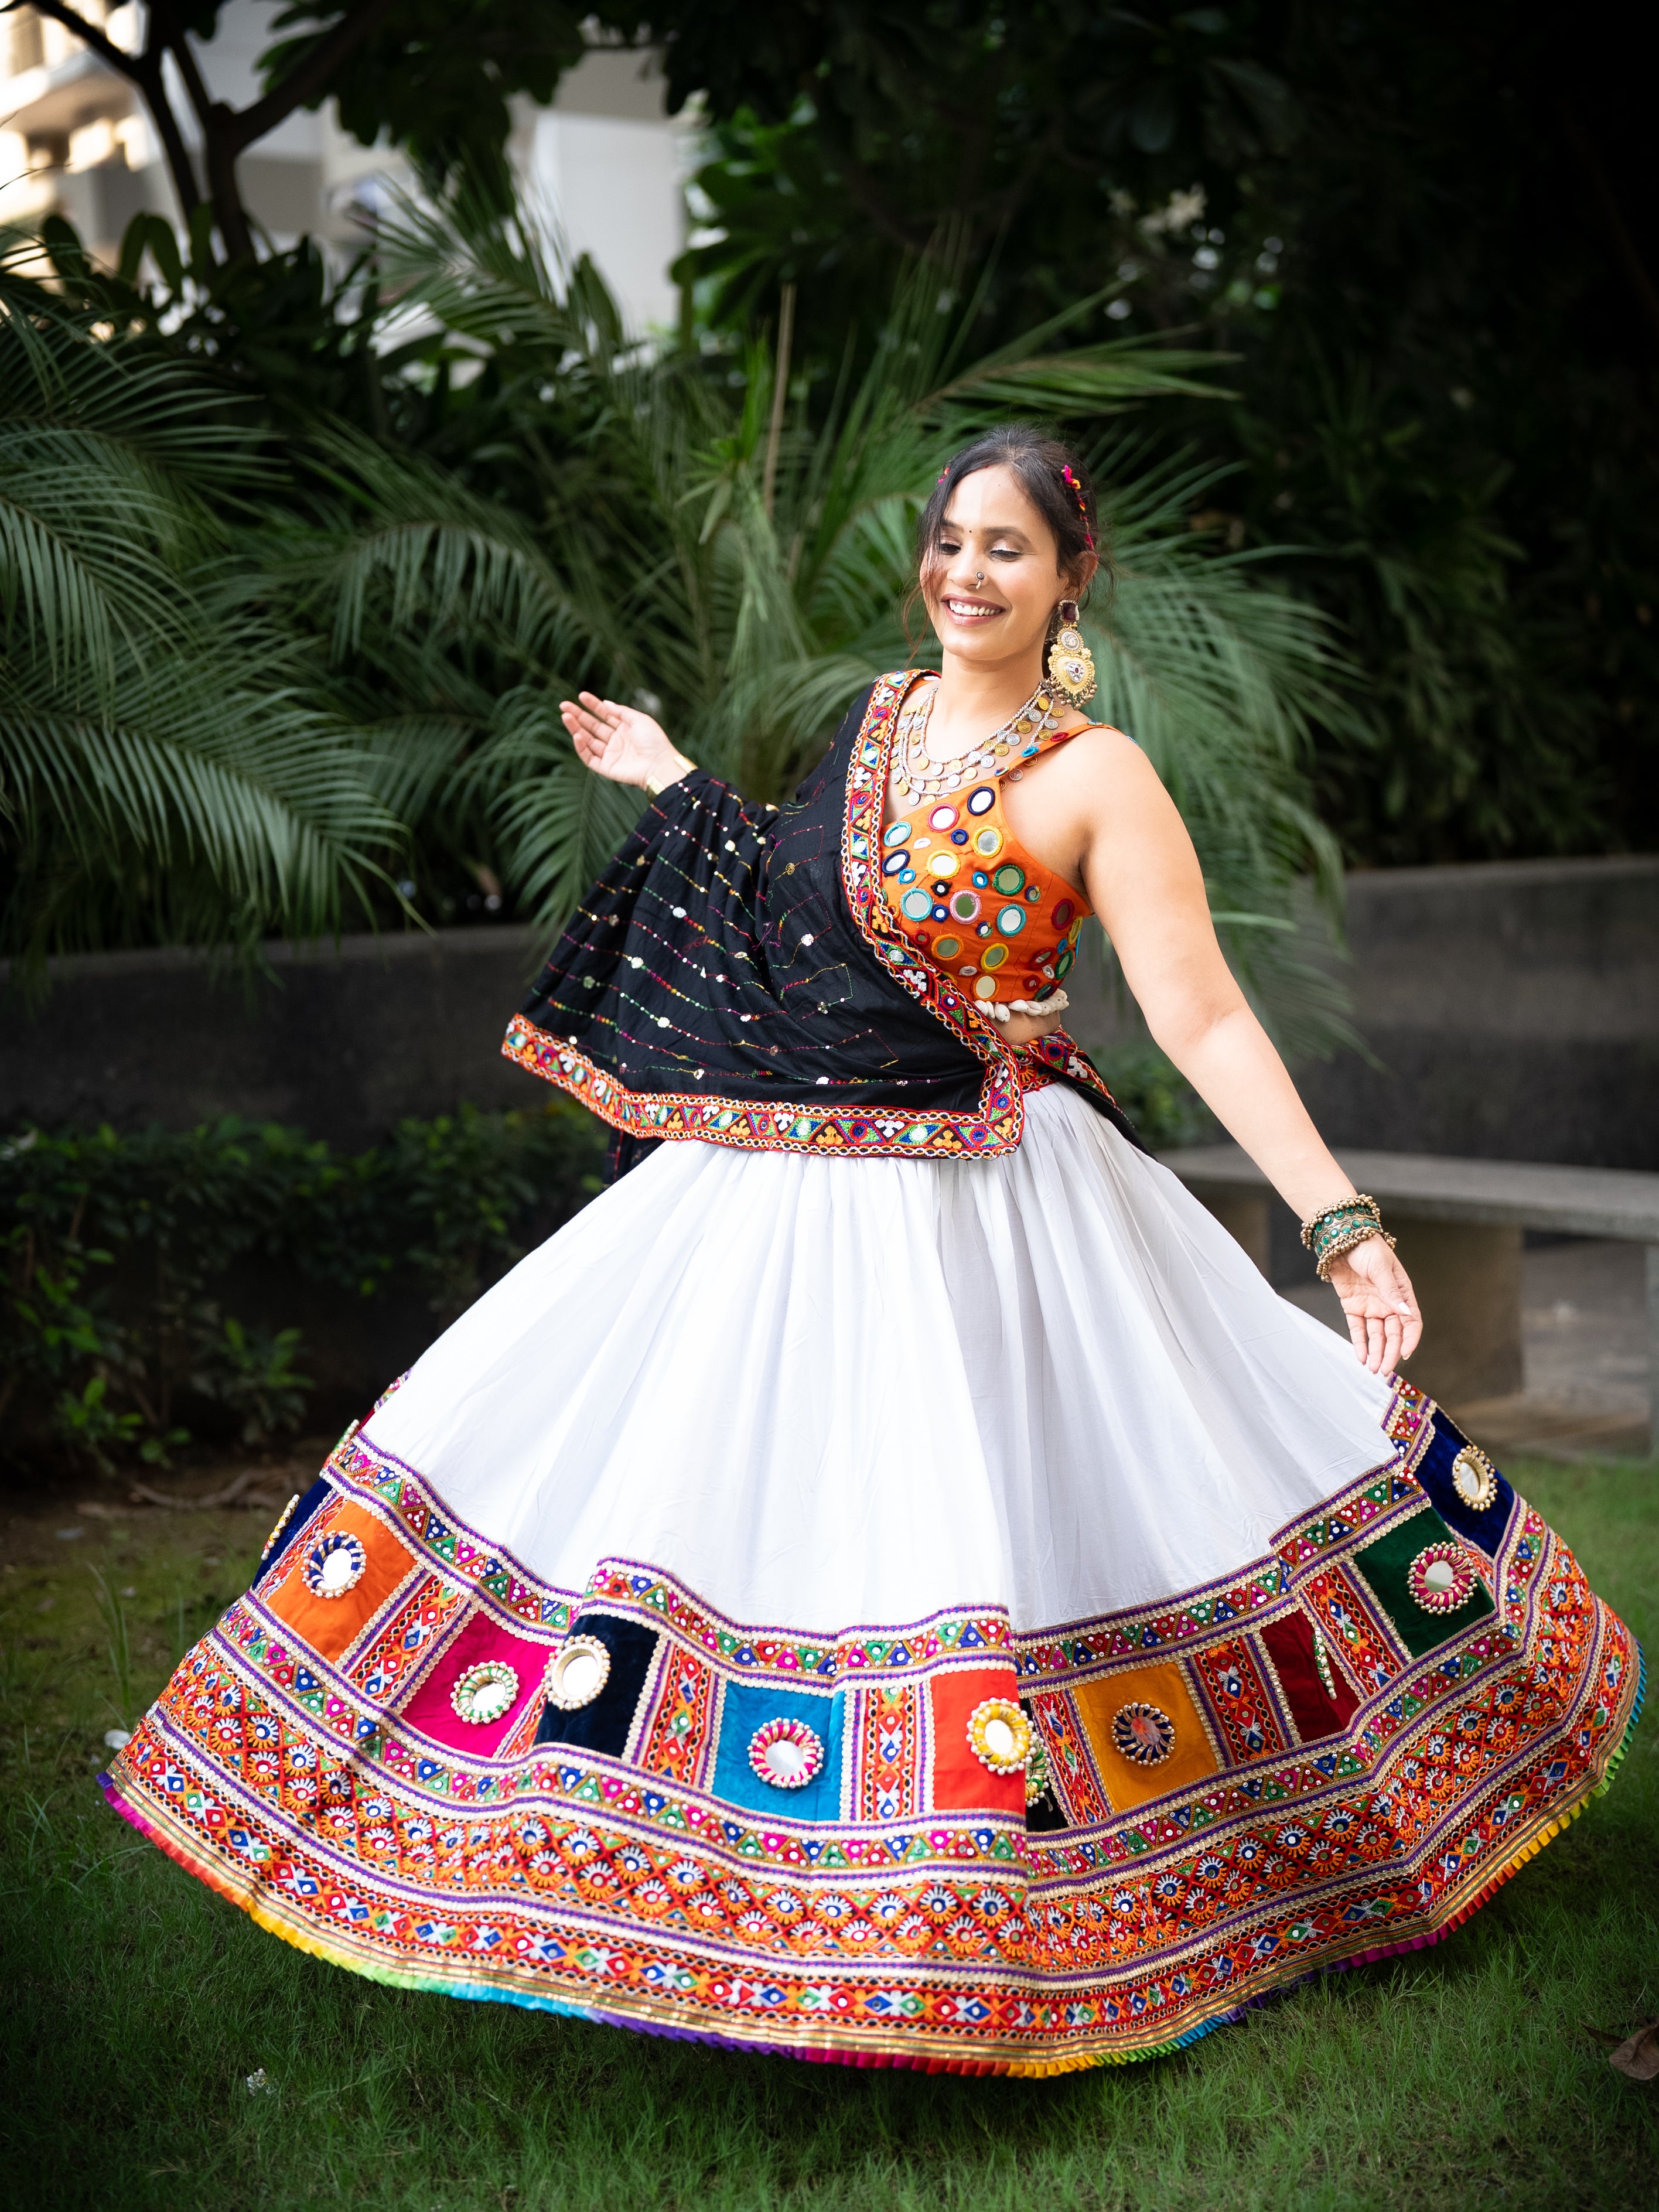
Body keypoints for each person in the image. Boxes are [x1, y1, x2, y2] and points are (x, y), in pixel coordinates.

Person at [104, 427, 1639, 2077]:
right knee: (724, 1496)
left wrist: (1340, 1224)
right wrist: (682, 787)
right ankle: (680, 1892)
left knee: (1008, 1518)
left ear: (1069, 578)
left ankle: (1022, 1905)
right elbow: (792, 905)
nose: (965, 575)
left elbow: (1197, 1010)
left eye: (1005, 551)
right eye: (949, 542)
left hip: (993, 1198)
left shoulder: (1097, 775)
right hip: (788, 1187)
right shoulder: (878, 720)